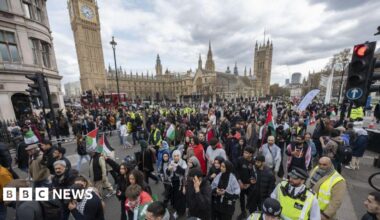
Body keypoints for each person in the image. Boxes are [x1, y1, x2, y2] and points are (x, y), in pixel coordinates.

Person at [236, 146, 256, 219]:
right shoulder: (239, 160)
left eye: (246, 153)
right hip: (241, 184)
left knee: (251, 200)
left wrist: (249, 184)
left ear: (251, 154)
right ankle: (243, 213)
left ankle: (252, 215)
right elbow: (236, 171)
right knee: (241, 199)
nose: (244, 154)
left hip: (249, 186)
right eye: (244, 152)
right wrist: (239, 181)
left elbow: (255, 175)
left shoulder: (254, 162)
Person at [166, 150, 187, 218]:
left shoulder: (183, 162)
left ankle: (181, 212)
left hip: (180, 183)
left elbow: (184, 172)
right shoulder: (171, 162)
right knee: (175, 198)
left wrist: (177, 166)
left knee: (180, 199)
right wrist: (168, 169)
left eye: (177, 156)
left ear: (180, 156)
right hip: (173, 183)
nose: (176, 157)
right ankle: (177, 210)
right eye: (174, 156)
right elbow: (168, 173)